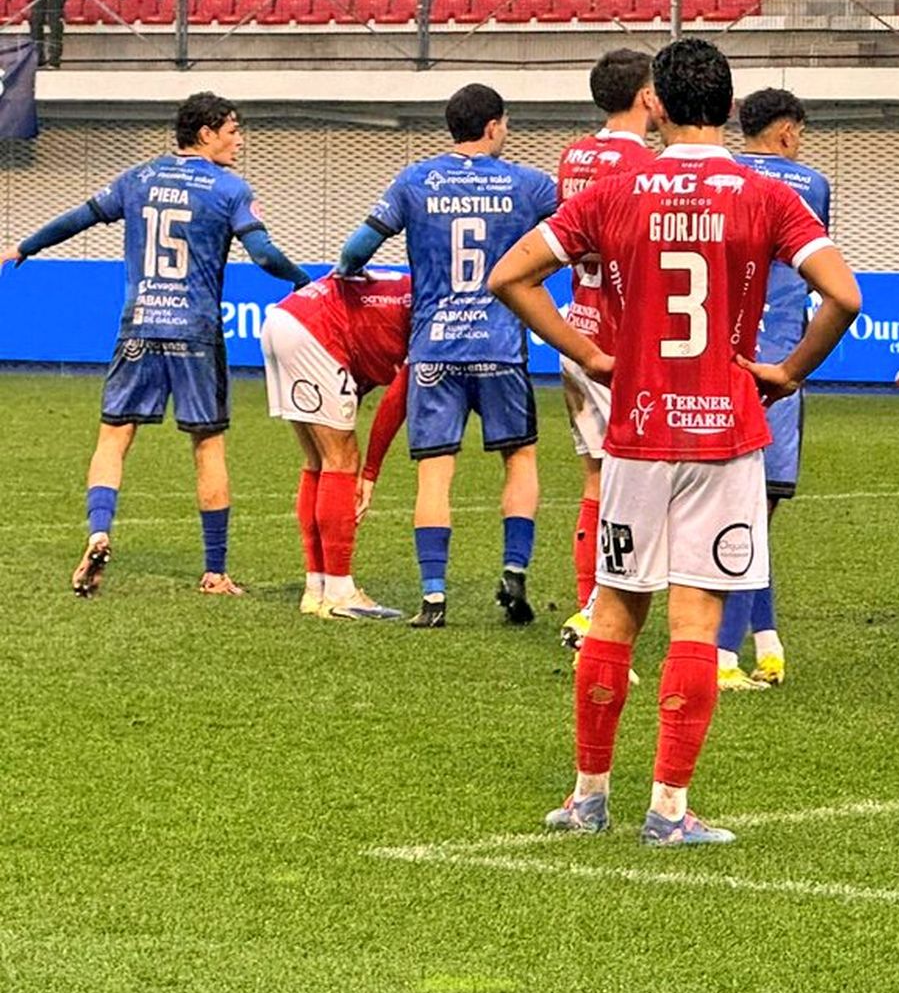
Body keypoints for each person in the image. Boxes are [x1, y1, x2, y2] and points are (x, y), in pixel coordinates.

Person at [488, 37, 859, 846]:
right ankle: (667, 809)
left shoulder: (614, 193)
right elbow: (843, 295)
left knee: (617, 611)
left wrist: (587, 352)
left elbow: (508, 276)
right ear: (729, 108)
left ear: (656, 104)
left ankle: (587, 796)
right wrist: (789, 370)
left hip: (636, 429)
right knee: (696, 621)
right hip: (723, 429)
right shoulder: (764, 194)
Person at [1, 92, 308, 596]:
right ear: (206, 134)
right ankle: (215, 571)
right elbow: (264, 254)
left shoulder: (138, 178)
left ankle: (100, 530)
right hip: (196, 331)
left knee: (113, 438)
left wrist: (25, 247)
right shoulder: (229, 188)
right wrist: (301, 280)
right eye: (233, 131)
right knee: (207, 445)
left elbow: (78, 217)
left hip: (139, 326)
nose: (240, 140)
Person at [334, 83, 558, 629]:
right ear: (493, 126)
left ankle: (433, 598)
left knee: (435, 476)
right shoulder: (529, 185)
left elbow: (356, 250)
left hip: (434, 348)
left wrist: (348, 275)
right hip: (501, 347)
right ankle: (514, 571)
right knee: (520, 460)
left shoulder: (415, 180)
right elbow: (573, 239)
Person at [714, 87, 832, 691]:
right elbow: (819, 272)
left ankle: (766, 641)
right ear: (787, 131)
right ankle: (722, 655)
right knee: (752, 511)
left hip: (716, 355)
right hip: (776, 361)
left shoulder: (719, 175)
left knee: (744, 512)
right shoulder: (807, 184)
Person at [553, 49, 659, 654]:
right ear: (648, 97)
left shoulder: (576, 155)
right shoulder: (640, 163)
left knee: (595, 476)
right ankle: (597, 611)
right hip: (618, 338)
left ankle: (587, 602)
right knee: (629, 479)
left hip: (577, 325)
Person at [260, 269, 412, 620]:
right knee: (342, 459)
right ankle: (341, 592)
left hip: (286, 317)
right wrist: (370, 472)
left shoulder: (407, 289)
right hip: (316, 331)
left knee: (317, 459)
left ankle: (316, 588)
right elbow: (396, 401)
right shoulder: (433, 313)